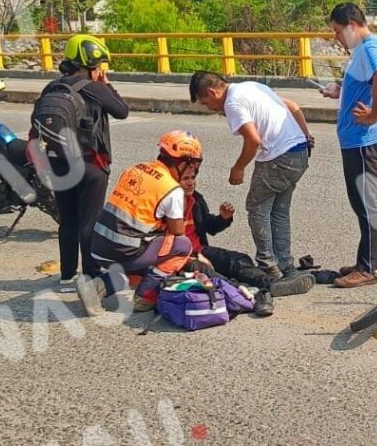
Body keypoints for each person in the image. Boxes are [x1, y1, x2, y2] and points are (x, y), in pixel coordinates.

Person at [189, 71, 315, 280]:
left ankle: (268, 267)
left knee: (257, 208)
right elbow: (292, 106)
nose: (208, 108)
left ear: (212, 92)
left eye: (205, 102)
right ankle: (286, 265)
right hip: (298, 153)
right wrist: (305, 135)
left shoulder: (232, 103)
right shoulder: (250, 87)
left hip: (279, 159)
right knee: (277, 212)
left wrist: (238, 168)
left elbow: (253, 141)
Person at [35, 35, 130, 290]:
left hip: (58, 162)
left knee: (68, 220)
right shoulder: (94, 87)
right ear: (91, 63)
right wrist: (107, 85)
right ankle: (89, 275)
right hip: (90, 164)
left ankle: (67, 276)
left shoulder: (52, 87)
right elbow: (122, 110)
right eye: (100, 66)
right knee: (91, 221)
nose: (101, 71)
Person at [75, 131, 203, 315]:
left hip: (98, 247)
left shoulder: (137, 168)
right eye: (194, 164)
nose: (194, 170)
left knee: (146, 262)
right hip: (124, 250)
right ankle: (144, 296)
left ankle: (97, 286)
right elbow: (178, 231)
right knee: (182, 246)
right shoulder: (172, 188)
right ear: (184, 161)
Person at [177, 151, 314, 317]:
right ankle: (250, 295)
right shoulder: (166, 204)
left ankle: (272, 284)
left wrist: (223, 218)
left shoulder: (195, 200)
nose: (191, 183)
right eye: (185, 179)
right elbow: (165, 243)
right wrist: (193, 257)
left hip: (201, 252)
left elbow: (209, 227)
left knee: (239, 260)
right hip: (181, 260)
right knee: (215, 275)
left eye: (193, 178)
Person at [321, 2, 377, 288]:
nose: (336, 38)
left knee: (366, 204)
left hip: (365, 140)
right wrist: (339, 91)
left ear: (352, 24)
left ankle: (367, 268)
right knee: (370, 201)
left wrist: (374, 114)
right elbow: (364, 83)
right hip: (359, 139)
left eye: (338, 31)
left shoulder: (370, 48)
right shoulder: (361, 51)